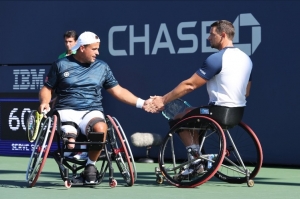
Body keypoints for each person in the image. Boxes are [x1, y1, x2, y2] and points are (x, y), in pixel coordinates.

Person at [38, 31, 152, 184]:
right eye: (94, 49)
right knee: (70, 144)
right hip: (66, 111)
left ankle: (90, 167)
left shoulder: (102, 67)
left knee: (101, 128)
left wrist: (141, 103)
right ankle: (71, 148)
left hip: (91, 110)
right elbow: (47, 89)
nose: (97, 53)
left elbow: (118, 90)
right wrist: (44, 102)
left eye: (98, 49)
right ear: (82, 48)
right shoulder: (61, 64)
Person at [150, 20, 252, 175]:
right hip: (236, 114)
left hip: (218, 113)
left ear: (223, 35)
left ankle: (196, 162)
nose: (208, 38)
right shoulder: (246, 59)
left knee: (178, 119)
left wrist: (163, 100)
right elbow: (246, 92)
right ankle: (197, 158)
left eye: (212, 34)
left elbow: (189, 85)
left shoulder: (217, 59)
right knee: (191, 112)